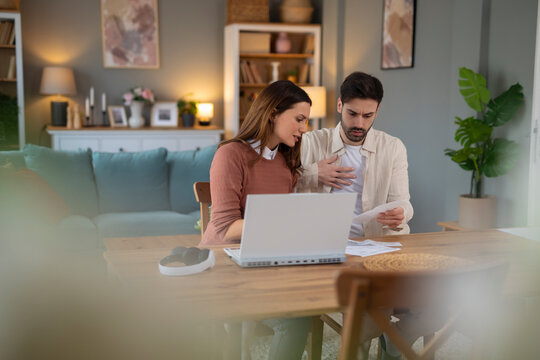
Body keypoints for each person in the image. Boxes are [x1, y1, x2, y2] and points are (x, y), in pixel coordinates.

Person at [200, 80, 312, 360]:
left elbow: (280, 222)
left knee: (302, 314)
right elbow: (226, 228)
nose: (304, 128)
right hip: (223, 264)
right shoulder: (230, 154)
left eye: (307, 121)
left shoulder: (286, 162)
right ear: (273, 112)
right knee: (289, 321)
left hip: (262, 263)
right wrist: (287, 226)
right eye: (299, 119)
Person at [297, 71, 413, 238]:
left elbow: (403, 202)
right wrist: (313, 173)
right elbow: (277, 182)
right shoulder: (309, 142)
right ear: (339, 105)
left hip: (375, 243)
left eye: (368, 116)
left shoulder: (393, 148)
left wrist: (402, 212)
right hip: (320, 240)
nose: (359, 124)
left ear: (377, 110)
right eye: (352, 113)